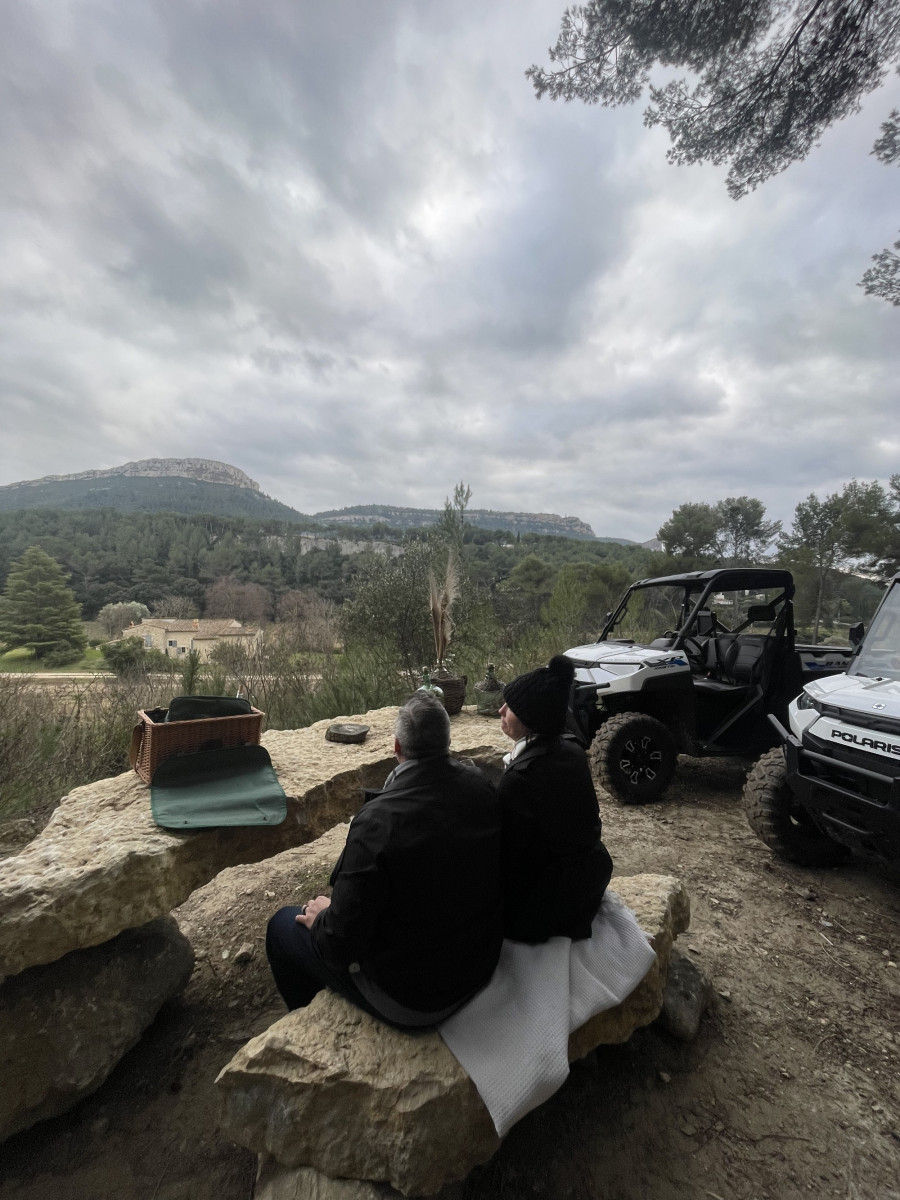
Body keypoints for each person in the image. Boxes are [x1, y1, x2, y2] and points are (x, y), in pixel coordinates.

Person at [265, 691, 503, 1028]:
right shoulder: (483, 787)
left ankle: (308, 1025)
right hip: (478, 966)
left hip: (415, 1000)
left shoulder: (377, 822)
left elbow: (339, 945)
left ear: (396, 747)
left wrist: (323, 920)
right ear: (447, 741)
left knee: (281, 927)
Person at [498, 654, 613, 943]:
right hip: (589, 883)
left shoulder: (521, 777)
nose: (500, 710)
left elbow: (508, 853)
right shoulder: (571, 751)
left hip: (548, 904)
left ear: (530, 719)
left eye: (510, 707)